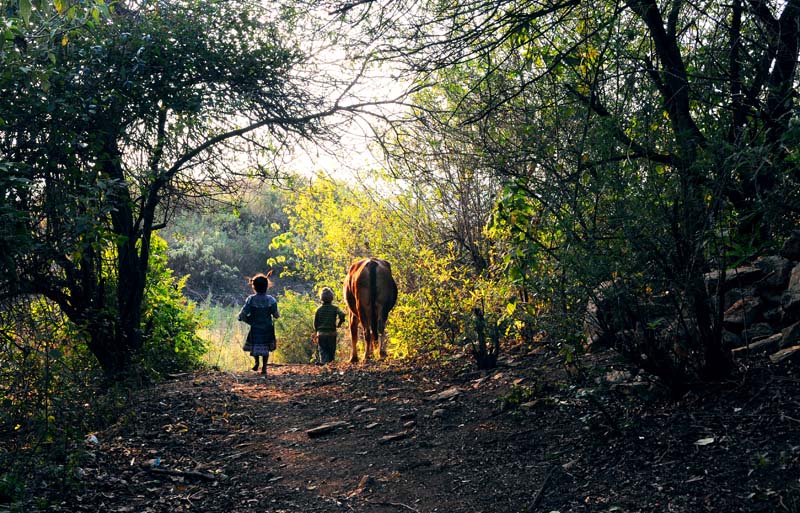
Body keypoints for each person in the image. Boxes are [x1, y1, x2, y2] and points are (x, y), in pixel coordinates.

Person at [238, 272, 279, 374]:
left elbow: (243, 314)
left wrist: (247, 320)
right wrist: (276, 315)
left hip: (255, 328)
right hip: (267, 328)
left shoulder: (251, 299)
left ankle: (256, 362)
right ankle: (264, 367)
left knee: (255, 346)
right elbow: (276, 314)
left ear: (254, 287)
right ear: (267, 286)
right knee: (265, 348)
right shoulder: (271, 300)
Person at [314, 287, 346, 364]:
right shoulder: (335, 308)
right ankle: (331, 363)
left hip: (321, 334)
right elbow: (342, 315)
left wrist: (317, 331)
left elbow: (315, 323)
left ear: (321, 298)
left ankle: (324, 362)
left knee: (322, 349)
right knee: (331, 349)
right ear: (332, 298)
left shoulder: (319, 309)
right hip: (332, 333)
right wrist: (339, 324)